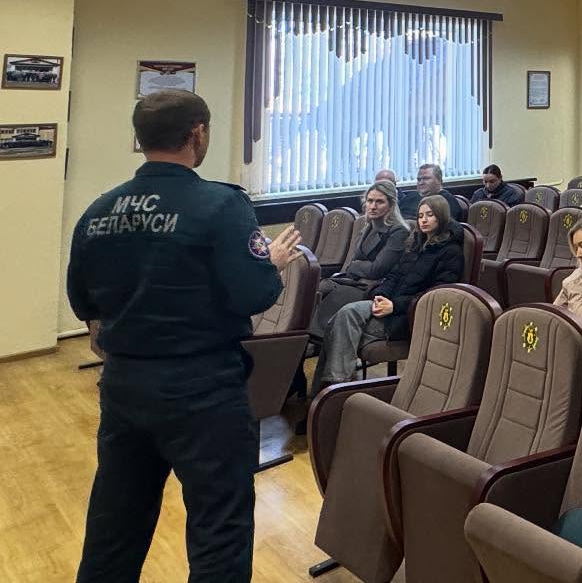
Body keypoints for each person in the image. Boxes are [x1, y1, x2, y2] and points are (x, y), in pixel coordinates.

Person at [66, 89, 304, 582]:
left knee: (115, 527)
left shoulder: (98, 211)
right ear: (198, 134)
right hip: (203, 390)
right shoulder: (221, 204)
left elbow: (84, 304)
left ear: (139, 138)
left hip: (124, 386)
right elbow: (253, 293)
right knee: (219, 530)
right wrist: (273, 264)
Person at [308, 195, 464, 401]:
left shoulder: (451, 252)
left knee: (342, 320)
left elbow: (437, 295)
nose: (423, 220)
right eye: (420, 216)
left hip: (407, 316)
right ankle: (327, 393)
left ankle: (333, 391)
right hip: (387, 306)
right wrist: (380, 295)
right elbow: (393, 276)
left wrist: (395, 305)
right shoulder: (416, 244)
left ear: (441, 217)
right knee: (337, 323)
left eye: (430, 215)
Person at [306, 179, 410, 351]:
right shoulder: (369, 226)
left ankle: (323, 343)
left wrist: (356, 266)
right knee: (318, 289)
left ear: (391, 205)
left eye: (379, 202)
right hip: (356, 280)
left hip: (376, 287)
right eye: (370, 201)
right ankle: (312, 340)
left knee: (335, 293)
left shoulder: (398, 231)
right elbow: (356, 259)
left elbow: (378, 270)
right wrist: (359, 265)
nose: (373, 206)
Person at [398, 163, 463, 219]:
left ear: (439, 181)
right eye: (419, 179)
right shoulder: (410, 197)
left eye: (426, 178)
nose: (421, 183)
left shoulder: (447, 201)